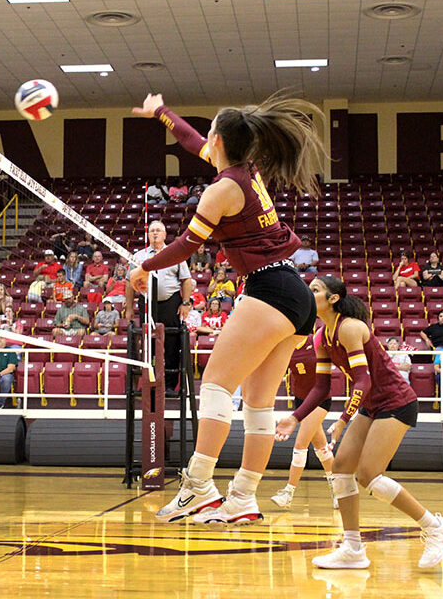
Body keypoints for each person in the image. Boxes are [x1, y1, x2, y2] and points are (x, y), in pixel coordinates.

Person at [130, 91, 322, 525]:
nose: (204, 141)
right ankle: (243, 497)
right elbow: (190, 137)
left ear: (218, 139)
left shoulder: (220, 190)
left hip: (269, 288)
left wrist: (145, 266)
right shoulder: (242, 170)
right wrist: (161, 112)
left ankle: (198, 485)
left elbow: (186, 245)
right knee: (257, 404)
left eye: (209, 136)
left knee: (215, 387)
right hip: (295, 292)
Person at [276, 275, 443, 569]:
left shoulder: (350, 328)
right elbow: (321, 388)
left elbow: (363, 380)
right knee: (341, 470)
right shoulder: (321, 335)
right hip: (372, 405)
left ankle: (436, 527)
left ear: (333, 298)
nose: (310, 294)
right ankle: (352, 548)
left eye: (316, 290)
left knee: (369, 475)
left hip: (396, 402)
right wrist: (294, 418)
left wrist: (344, 418)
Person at [271, 332, 337, 510]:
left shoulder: (315, 341)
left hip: (320, 399)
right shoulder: (287, 346)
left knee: (300, 444)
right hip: (300, 400)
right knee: (322, 449)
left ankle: (288, 492)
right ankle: (340, 490)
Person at [127, 220, 195, 392]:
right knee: (148, 345)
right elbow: (129, 283)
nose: (155, 233)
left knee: (172, 344)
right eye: (152, 231)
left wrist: (185, 303)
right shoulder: (139, 256)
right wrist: (129, 308)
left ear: (165, 234)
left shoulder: (175, 254)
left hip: (171, 302)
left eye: (158, 230)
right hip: (147, 303)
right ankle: (148, 385)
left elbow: (186, 280)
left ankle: (170, 386)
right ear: (148, 235)